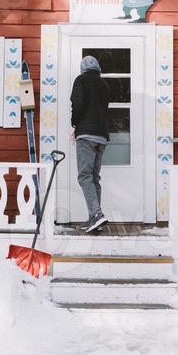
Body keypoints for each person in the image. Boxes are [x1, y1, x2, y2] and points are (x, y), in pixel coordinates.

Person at [70, 55, 110, 233]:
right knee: (94, 178)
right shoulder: (104, 84)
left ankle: (96, 215)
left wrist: (74, 123)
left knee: (84, 176)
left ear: (82, 68)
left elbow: (77, 103)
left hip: (86, 134)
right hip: (102, 136)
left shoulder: (81, 80)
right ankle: (95, 220)